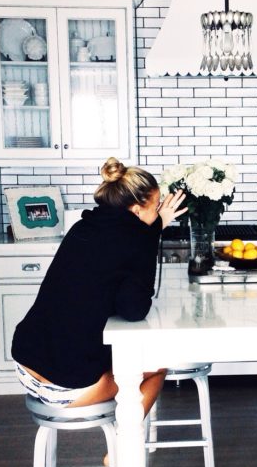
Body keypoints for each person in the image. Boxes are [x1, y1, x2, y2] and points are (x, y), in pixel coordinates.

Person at [12, 157, 187, 412]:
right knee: (158, 366)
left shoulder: (83, 226)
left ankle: (122, 450)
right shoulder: (136, 241)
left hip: (25, 364)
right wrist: (154, 232)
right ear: (137, 210)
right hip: (66, 386)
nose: (159, 210)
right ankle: (120, 452)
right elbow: (134, 310)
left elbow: (102, 282)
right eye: (156, 205)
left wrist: (153, 227)